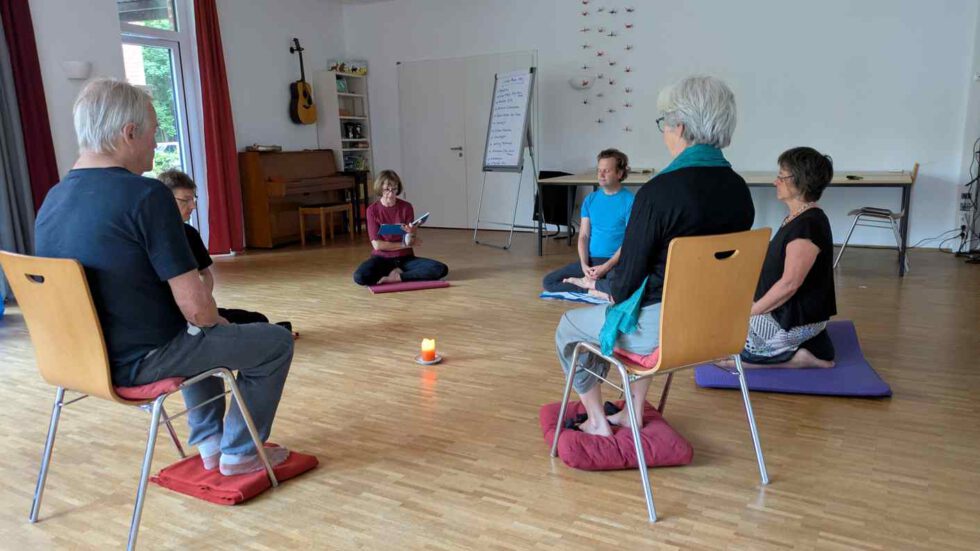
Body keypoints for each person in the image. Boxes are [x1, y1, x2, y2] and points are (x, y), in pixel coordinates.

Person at [34, 79, 293, 475]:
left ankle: (209, 444)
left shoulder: (52, 198)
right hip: (143, 362)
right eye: (154, 133)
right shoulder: (146, 195)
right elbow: (198, 309)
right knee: (271, 342)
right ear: (129, 132)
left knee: (198, 334)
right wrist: (213, 320)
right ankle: (241, 452)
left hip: (80, 361)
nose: (156, 145)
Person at [554, 76, 755, 437]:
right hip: (717, 328)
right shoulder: (739, 189)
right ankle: (630, 414)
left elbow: (627, 283)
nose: (664, 132)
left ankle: (598, 421)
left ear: (679, 125)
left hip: (663, 333)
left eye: (664, 123)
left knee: (570, 325)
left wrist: (597, 288)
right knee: (643, 301)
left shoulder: (658, 193)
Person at [157, 169, 296, 335]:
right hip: (168, 317)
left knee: (257, 318)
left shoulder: (190, 233)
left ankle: (264, 332)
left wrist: (201, 305)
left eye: (193, 199)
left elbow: (205, 274)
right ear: (165, 201)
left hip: (195, 310)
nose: (193, 205)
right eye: (186, 200)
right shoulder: (153, 236)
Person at [733, 147, 837, 368]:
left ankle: (799, 359)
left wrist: (750, 312)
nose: (775, 182)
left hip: (791, 319)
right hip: (782, 311)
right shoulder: (799, 217)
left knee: (721, 354)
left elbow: (789, 284)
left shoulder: (807, 225)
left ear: (799, 181)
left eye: (781, 176)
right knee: (715, 330)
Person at [543, 148, 634, 297]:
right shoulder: (590, 200)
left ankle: (593, 286)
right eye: (599, 170)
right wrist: (584, 265)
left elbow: (630, 241)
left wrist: (606, 267)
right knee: (549, 282)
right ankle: (592, 288)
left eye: (607, 171)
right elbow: (584, 236)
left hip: (615, 263)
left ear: (620, 173)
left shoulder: (630, 201)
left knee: (623, 288)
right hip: (591, 261)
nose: (601, 174)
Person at [352, 170, 449, 286]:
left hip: (405, 258)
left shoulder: (406, 207)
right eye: (387, 189)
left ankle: (398, 277)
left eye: (394, 189)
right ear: (380, 189)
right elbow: (377, 245)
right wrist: (404, 245)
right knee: (360, 276)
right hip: (382, 258)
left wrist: (412, 234)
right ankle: (395, 272)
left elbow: (410, 241)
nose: (391, 193)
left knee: (440, 268)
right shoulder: (372, 210)